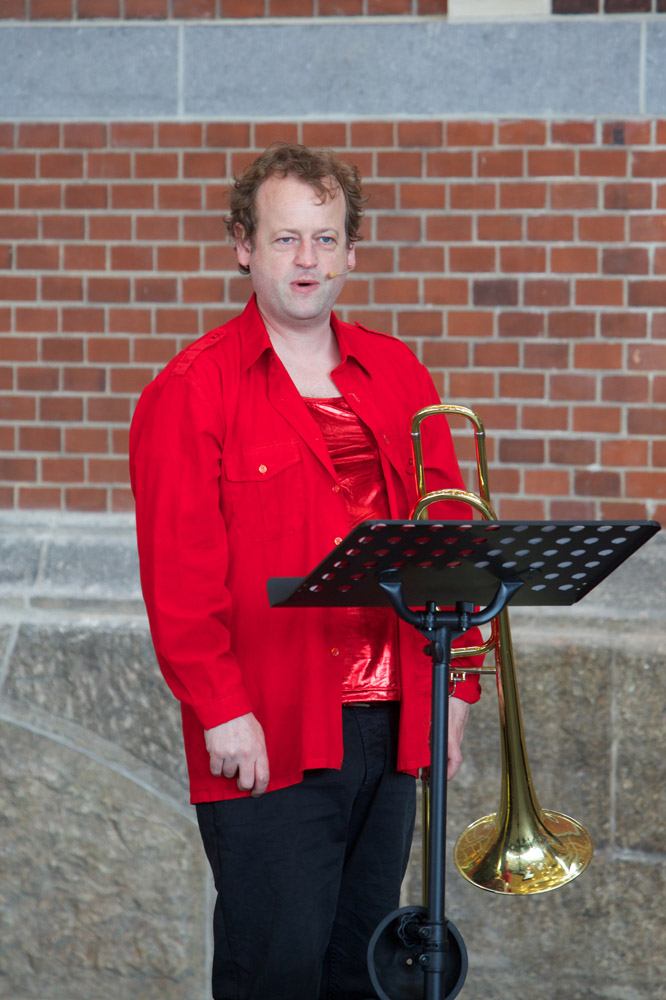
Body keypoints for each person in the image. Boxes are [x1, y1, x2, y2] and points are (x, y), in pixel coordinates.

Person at [130, 143, 483, 1000]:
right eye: (286, 239)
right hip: (270, 729)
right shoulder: (193, 389)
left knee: (367, 969)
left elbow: (451, 543)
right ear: (243, 246)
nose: (308, 261)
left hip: (394, 720)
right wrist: (222, 711)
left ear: (352, 253)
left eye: (326, 240)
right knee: (275, 969)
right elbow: (179, 579)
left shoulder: (400, 372)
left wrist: (459, 691)